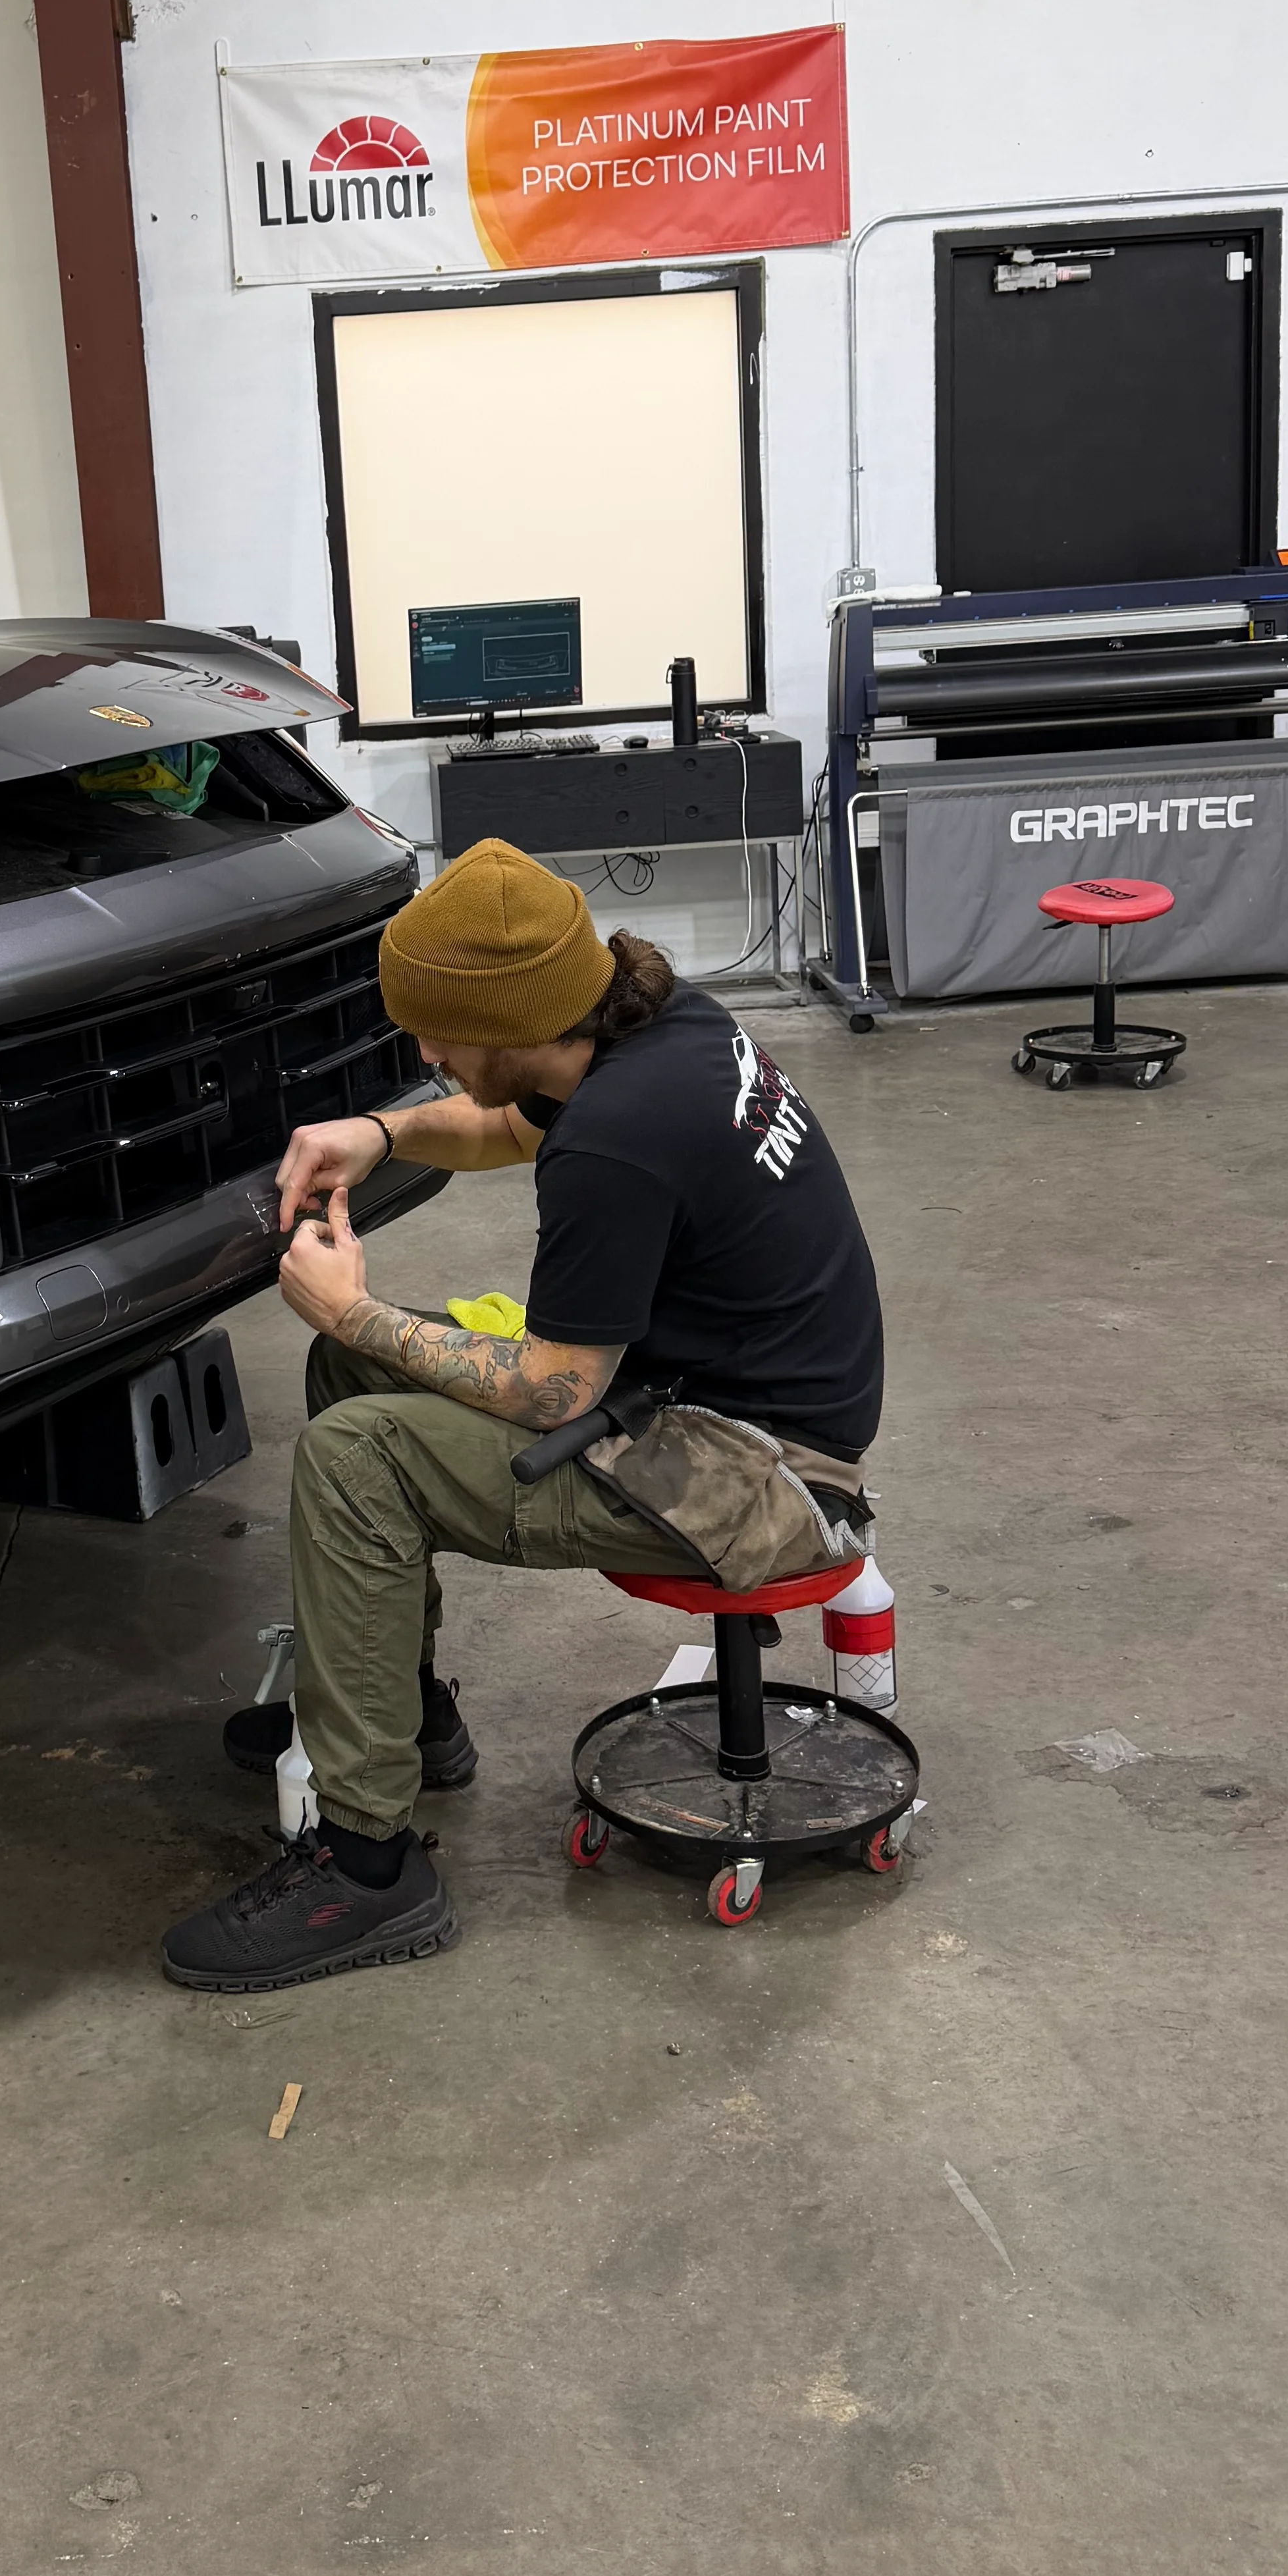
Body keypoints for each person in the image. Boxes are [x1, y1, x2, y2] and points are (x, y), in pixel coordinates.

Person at [159, 836, 884, 1992]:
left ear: (511, 1019)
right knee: (361, 1386)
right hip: (719, 1404)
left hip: (767, 1479)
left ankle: (367, 1869)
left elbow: (558, 1389)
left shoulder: (620, 1140)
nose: (427, 1054)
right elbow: (504, 1124)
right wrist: (384, 1132)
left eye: (439, 1036)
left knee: (359, 1452)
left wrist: (351, 1312)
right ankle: (401, 1711)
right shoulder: (654, 1024)